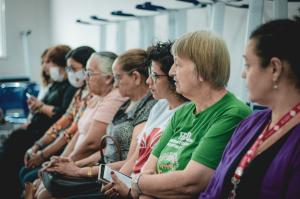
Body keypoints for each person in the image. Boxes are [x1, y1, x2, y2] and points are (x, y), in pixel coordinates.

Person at [127, 31, 252, 199]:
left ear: (201, 69)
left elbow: (191, 183)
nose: (171, 72)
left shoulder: (232, 114)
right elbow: (148, 169)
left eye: (177, 64)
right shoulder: (183, 112)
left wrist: (138, 184)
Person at [37, 48, 157, 199]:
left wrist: (81, 170)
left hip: (116, 178)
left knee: (48, 191)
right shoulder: (125, 105)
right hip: (105, 172)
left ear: (135, 77)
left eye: (118, 77)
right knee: (48, 186)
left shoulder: (148, 107)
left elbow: (130, 163)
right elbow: (106, 150)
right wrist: (75, 164)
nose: (115, 83)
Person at [200, 19, 300, 199]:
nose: (243, 74)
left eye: (247, 65)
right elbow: (213, 190)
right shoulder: (251, 123)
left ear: (275, 69)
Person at [101, 41, 189, 198]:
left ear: (173, 76)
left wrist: (129, 190)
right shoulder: (159, 107)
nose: (148, 81)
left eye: (154, 75)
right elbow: (136, 156)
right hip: (131, 186)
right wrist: (117, 181)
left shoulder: (186, 113)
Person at [0, 44, 77, 198]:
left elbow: (63, 117)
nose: (45, 66)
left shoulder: (70, 88)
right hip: (37, 132)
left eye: (49, 62)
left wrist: (40, 151)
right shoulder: (55, 85)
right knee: (7, 155)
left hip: (43, 134)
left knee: (9, 160)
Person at [19, 46, 95, 187]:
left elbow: (70, 133)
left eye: (73, 68)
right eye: (68, 69)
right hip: (65, 149)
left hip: (77, 154)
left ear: (87, 69)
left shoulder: (92, 96)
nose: (69, 73)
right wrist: (37, 146)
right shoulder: (80, 93)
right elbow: (62, 122)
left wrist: (44, 155)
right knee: (25, 172)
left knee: (30, 177)